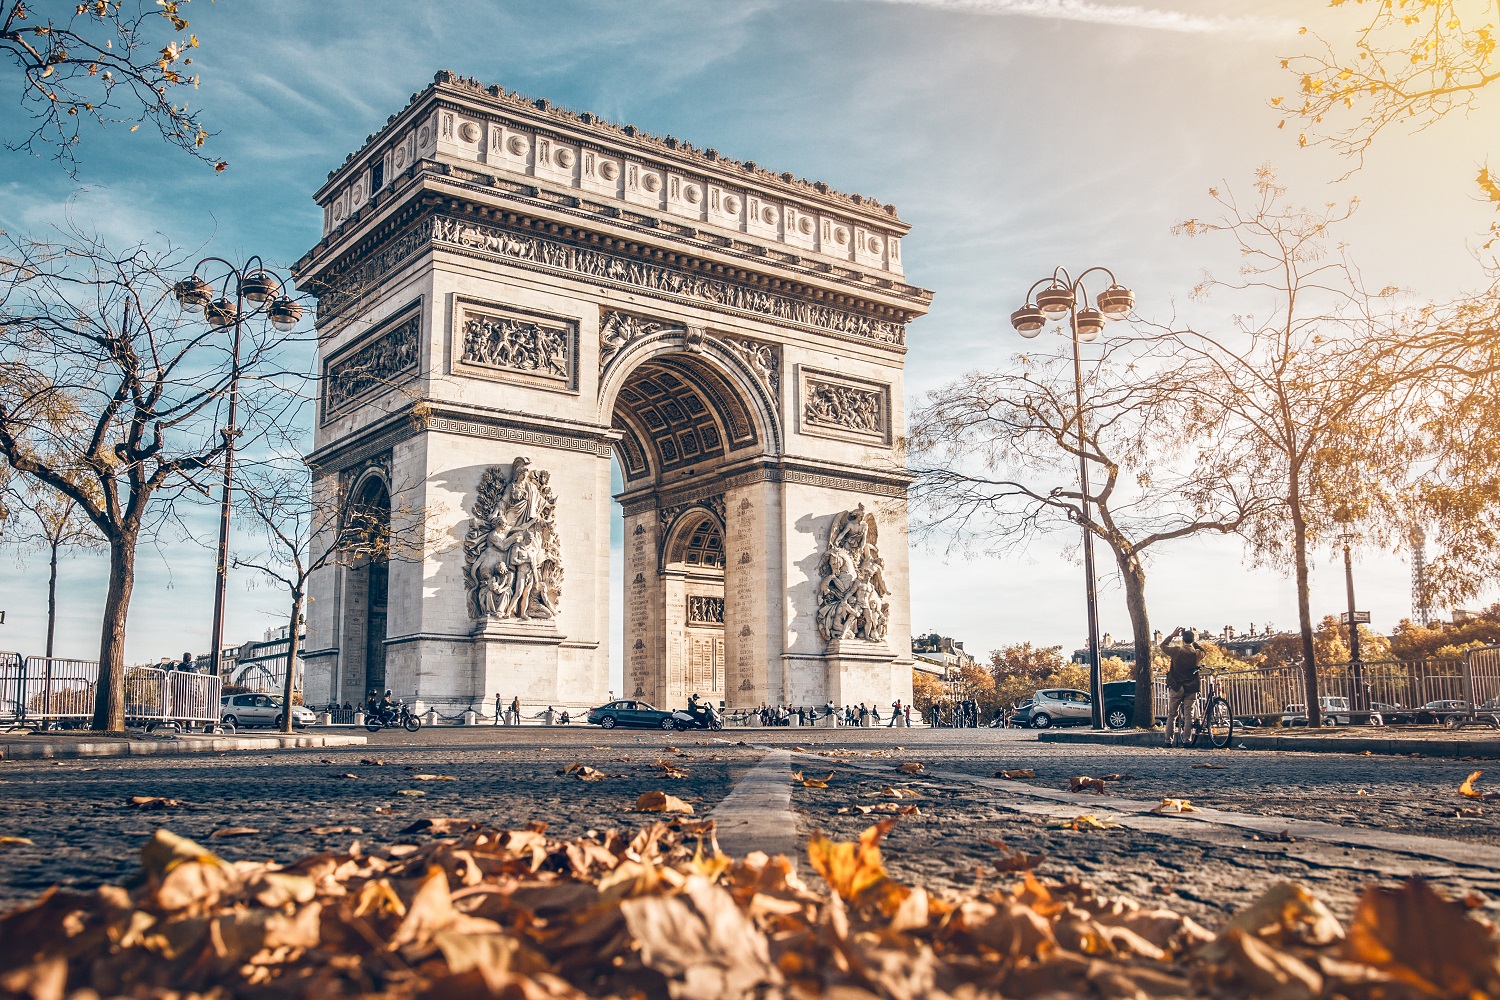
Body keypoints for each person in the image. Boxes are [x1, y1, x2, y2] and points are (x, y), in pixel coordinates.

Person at [1162, 627, 1206, 745]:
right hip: (1191, 687)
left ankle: (1168, 740)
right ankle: (1187, 739)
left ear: (1182, 640)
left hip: (1176, 686)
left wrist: (1172, 635)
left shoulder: (1176, 651)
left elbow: (1163, 645)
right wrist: (1194, 641)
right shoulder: (1196, 654)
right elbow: (1203, 650)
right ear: (1192, 640)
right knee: (1188, 715)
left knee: (1172, 715)